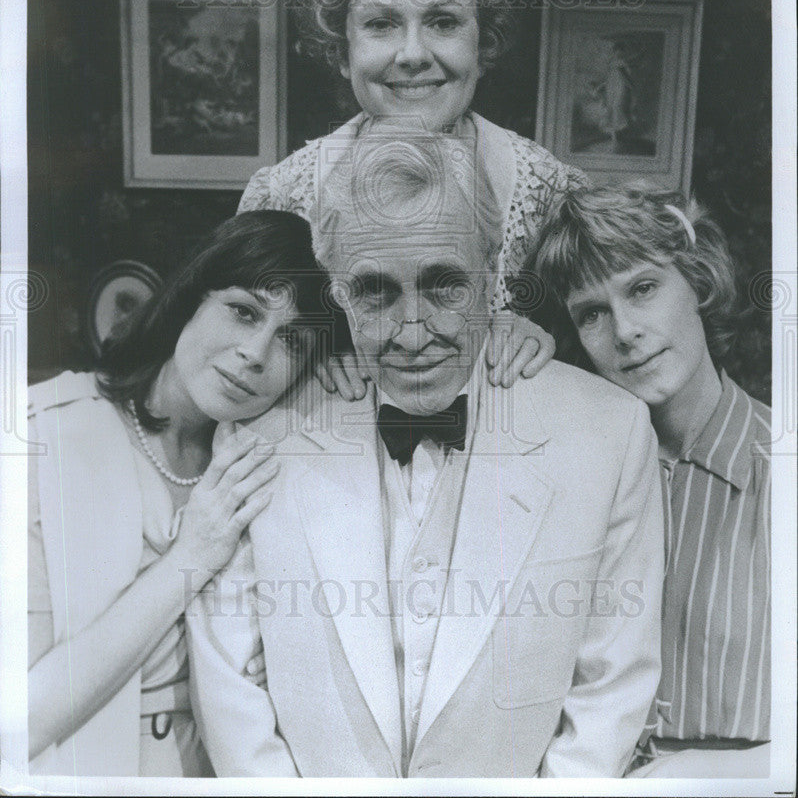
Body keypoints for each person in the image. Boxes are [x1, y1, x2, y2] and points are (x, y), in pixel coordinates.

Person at [187, 134, 664, 778]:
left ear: (494, 273)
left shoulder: (609, 431)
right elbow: (229, 685)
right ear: (337, 292)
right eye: (377, 293)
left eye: (444, 287)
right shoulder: (264, 430)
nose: (413, 333)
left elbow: (612, 685)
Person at [238, 0, 590, 395]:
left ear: (482, 40)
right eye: (381, 24)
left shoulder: (553, 197)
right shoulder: (281, 199)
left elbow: (610, 387)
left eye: (443, 22)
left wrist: (555, 336)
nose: (413, 53)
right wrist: (306, 351)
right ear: (343, 49)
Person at [27, 210, 333, 777]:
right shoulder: (44, 433)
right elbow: (20, 722)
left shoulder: (265, 461)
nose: (256, 353)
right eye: (243, 312)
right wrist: (189, 559)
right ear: (191, 296)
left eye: (293, 341)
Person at [532, 183, 771, 778]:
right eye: (591, 313)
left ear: (699, 281)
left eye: (642, 288)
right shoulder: (566, 476)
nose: (625, 331)